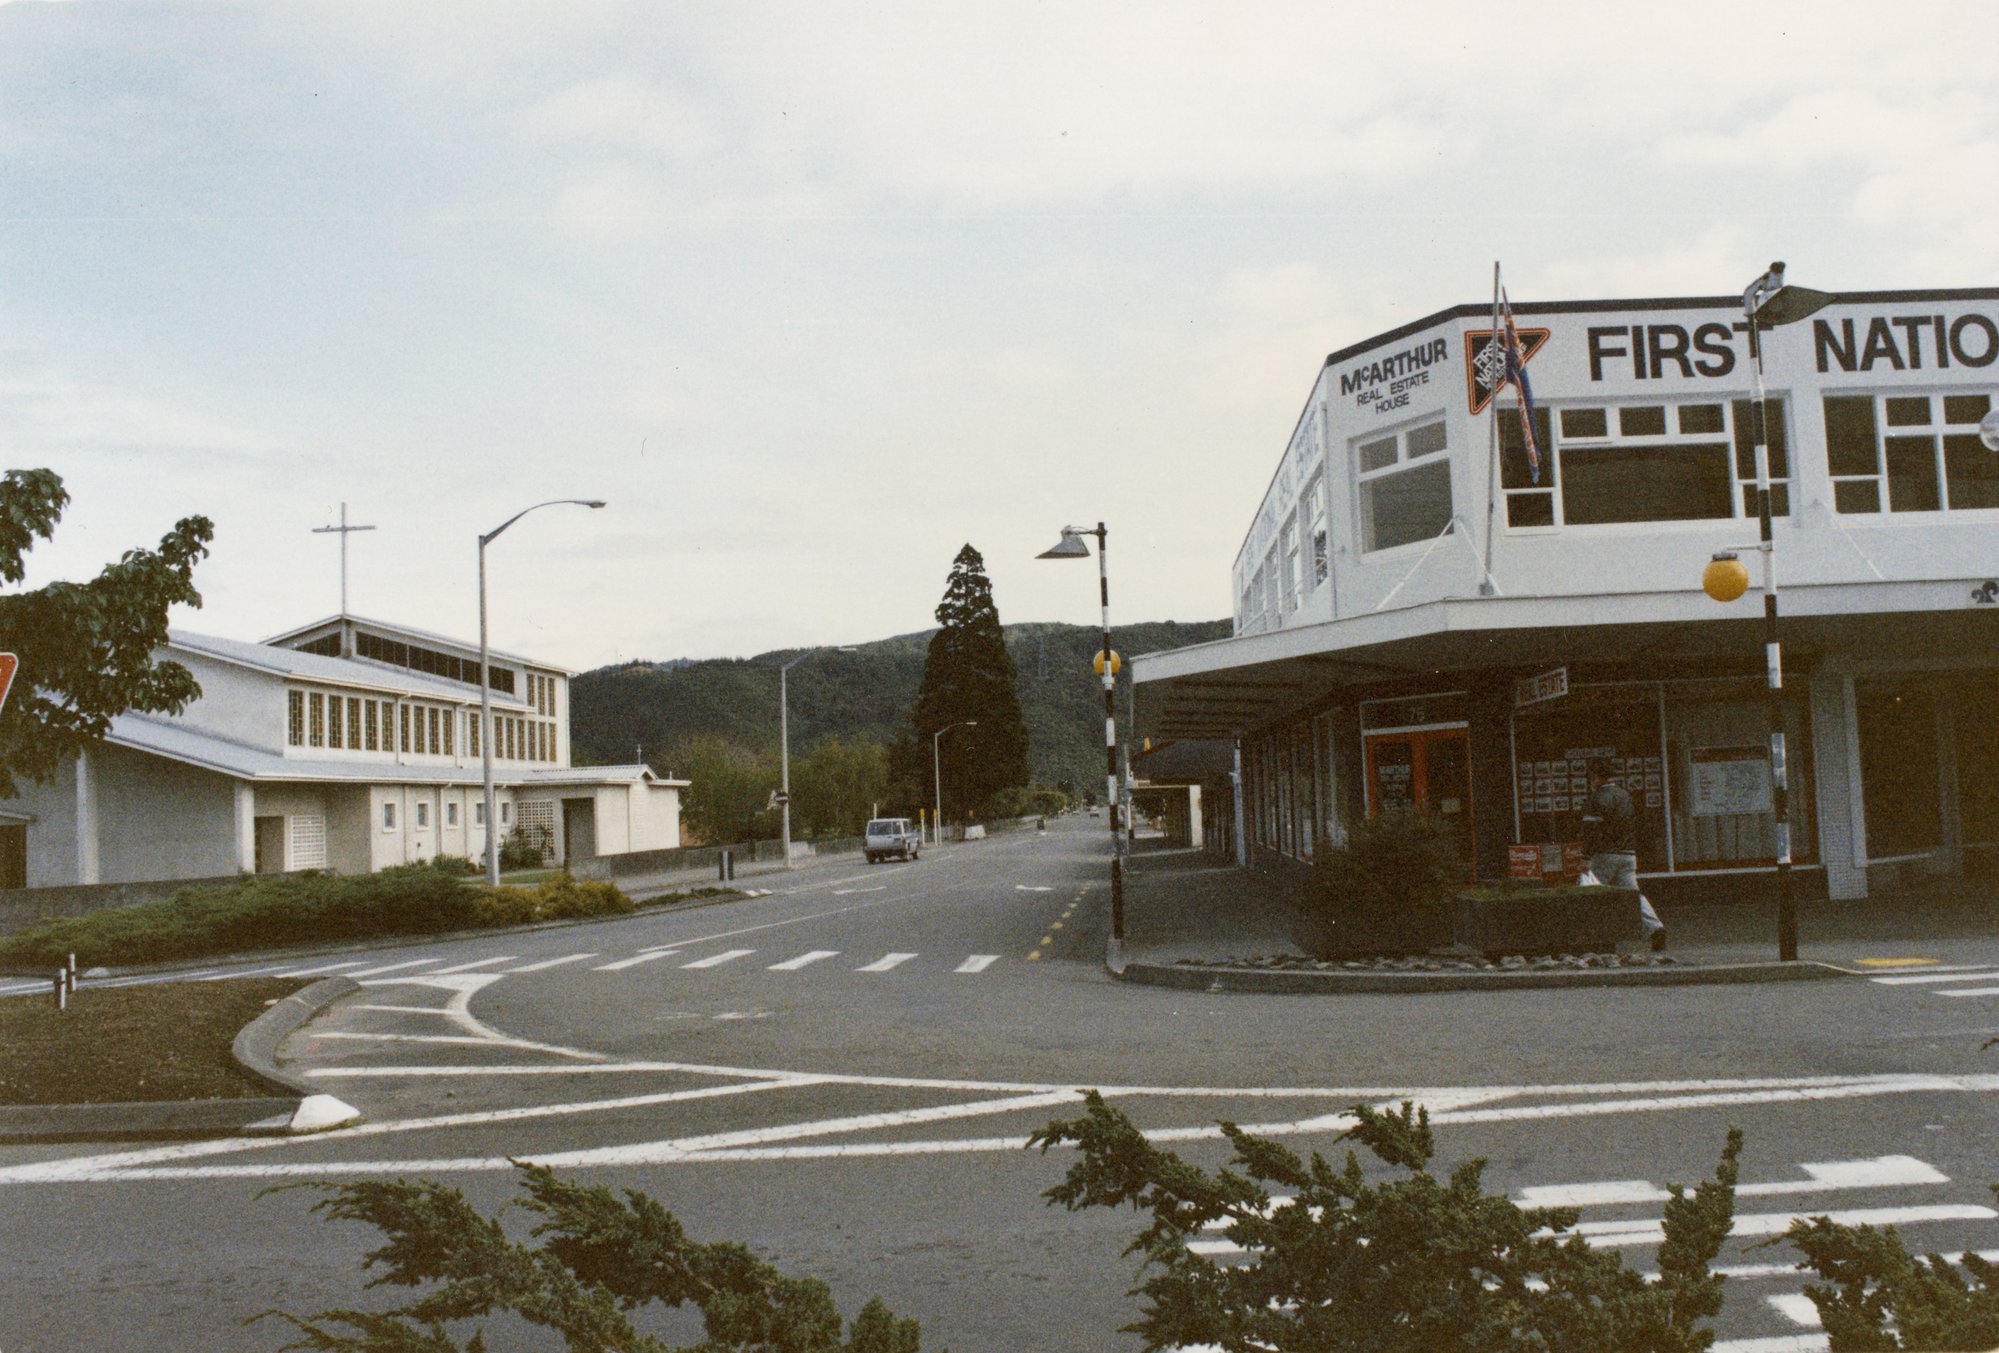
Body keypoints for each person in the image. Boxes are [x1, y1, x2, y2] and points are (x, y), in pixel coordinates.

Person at [1581, 756, 1666, 950]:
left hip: (1604, 855)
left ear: (1596, 777)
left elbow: (1591, 830)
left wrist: (1586, 857)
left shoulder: (1596, 798)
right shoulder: (1625, 796)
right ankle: (1655, 928)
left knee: (1590, 894)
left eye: (1591, 777)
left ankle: (1597, 941)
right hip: (1628, 855)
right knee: (1632, 896)